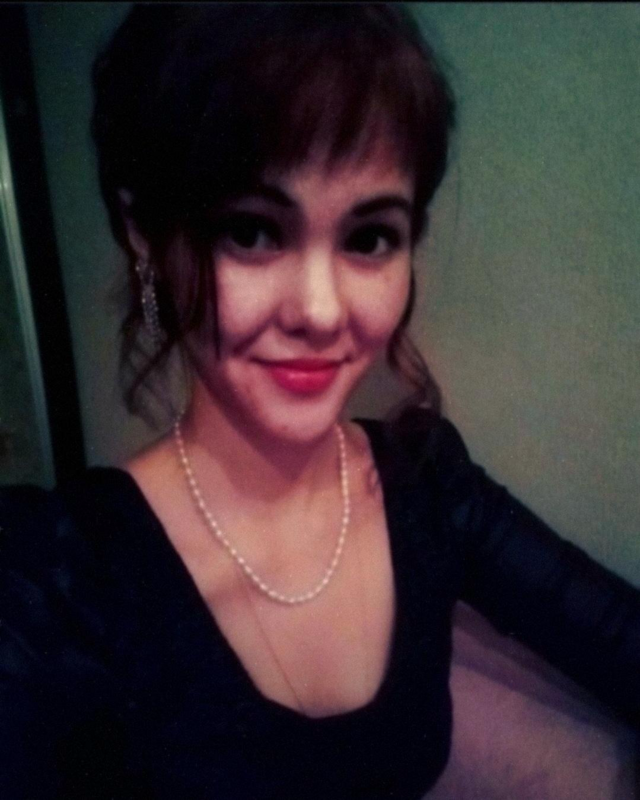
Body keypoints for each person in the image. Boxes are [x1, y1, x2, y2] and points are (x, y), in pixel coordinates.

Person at [0, 4, 638, 799]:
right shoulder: (54, 587)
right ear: (144, 233)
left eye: (369, 238)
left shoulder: (430, 486)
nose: (322, 310)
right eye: (252, 231)